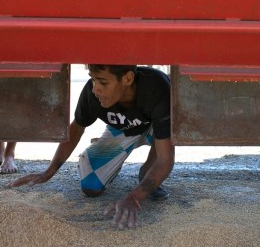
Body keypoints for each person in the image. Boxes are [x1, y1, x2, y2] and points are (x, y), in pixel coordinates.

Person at [10, 65, 175, 229]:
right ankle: (117, 162)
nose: (96, 89)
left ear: (128, 79)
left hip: (157, 129)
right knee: (91, 186)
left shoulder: (156, 87)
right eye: (93, 79)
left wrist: (135, 197)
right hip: (122, 130)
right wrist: (49, 170)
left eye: (102, 82)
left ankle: (146, 170)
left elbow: (165, 160)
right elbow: (76, 128)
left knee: (154, 166)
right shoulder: (91, 92)